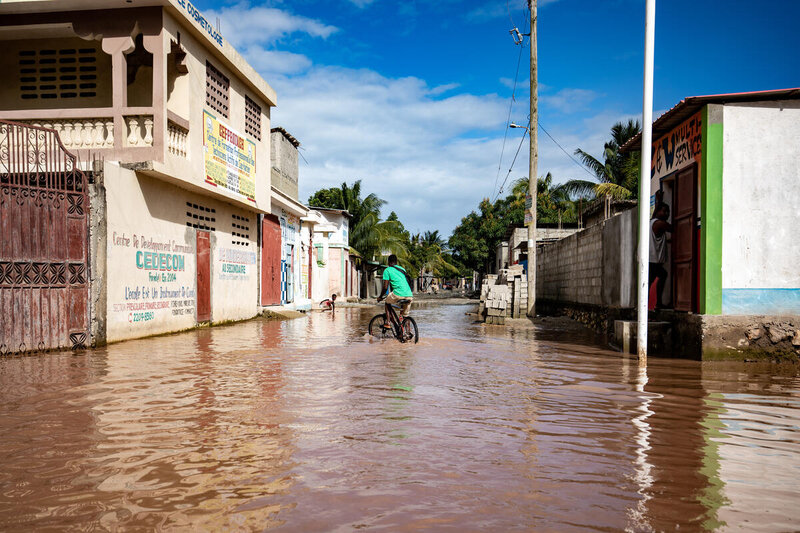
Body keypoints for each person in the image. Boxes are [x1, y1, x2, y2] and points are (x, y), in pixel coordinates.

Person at [649, 202, 672, 309]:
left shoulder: (651, 222)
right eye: (664, 211)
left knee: (655, 279)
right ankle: (657, 304)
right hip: (652, 260)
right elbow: (673, 228)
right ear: (658, 211)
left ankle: (653, 304)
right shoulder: (659, 224)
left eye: (668, 212)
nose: (667, 214)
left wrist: (658, 200)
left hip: (651, 259)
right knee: (661, 276)